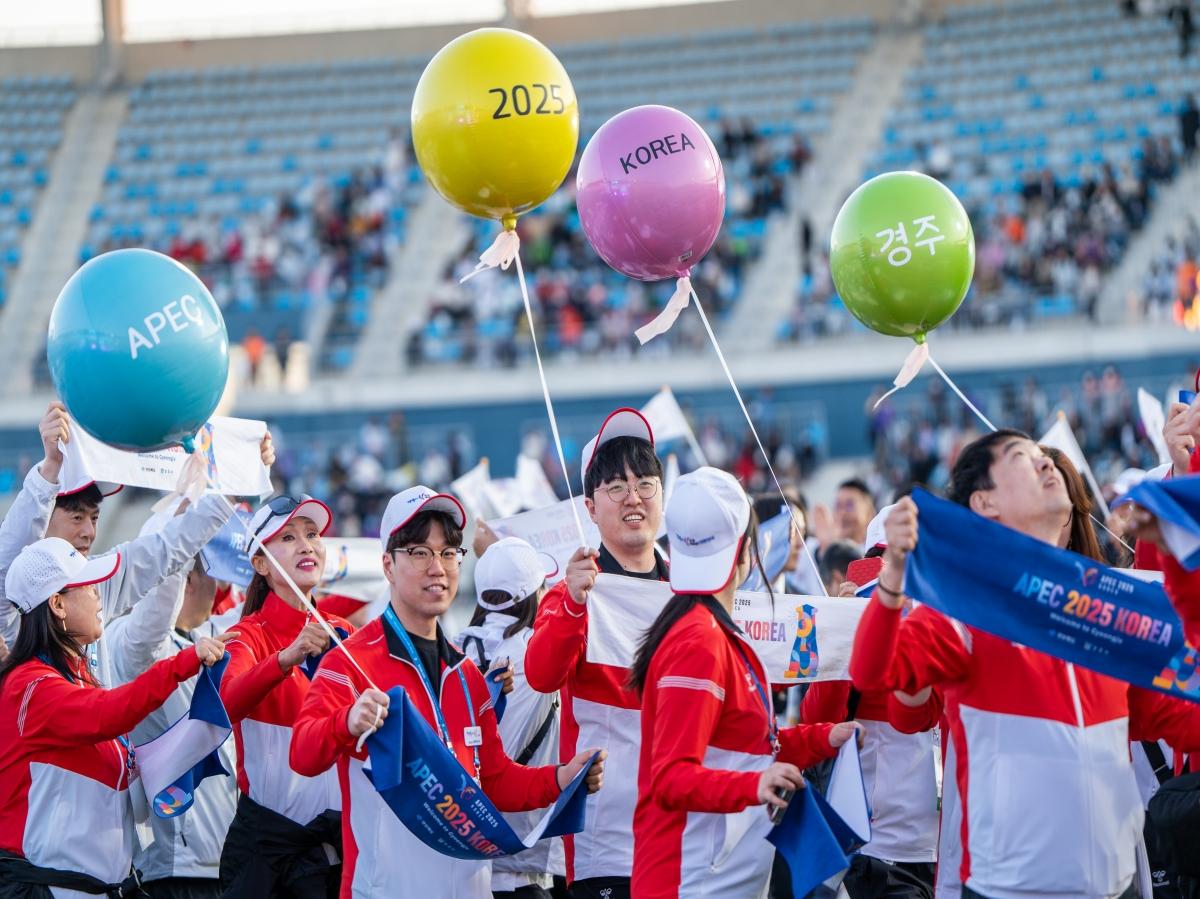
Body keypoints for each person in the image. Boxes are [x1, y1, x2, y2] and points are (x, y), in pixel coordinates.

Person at [851, 429, 1200, 899]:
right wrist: (893, 579)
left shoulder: (1102, 601)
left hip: (1115, 886)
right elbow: (875, 673)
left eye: (1044, 457)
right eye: (1022, 456)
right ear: (984, 503)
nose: (1045, 463)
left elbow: (1168, 714)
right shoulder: (965, 606)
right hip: (1010, 887)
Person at [290, 486, 605, 899]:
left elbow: (492, 780)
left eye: (448, 553)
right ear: (388, 564)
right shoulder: (350, 662)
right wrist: (345, 722)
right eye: (419, 552)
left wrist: (561, 779)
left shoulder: (467, 674)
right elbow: (302, 754)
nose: (437, 567)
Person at [627, 467, 859, 899]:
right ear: (747, 552)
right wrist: (755, 785)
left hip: (716, 880)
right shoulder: (698, 640)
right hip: (690, 883)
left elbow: (750, 748)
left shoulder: (711, 633)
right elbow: (671, 777)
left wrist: (827, 738)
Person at [0, 537, 232, 896]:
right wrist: (183, 665)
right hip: (44, 888)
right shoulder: (28, 687)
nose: (98, 596)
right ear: (58, 605)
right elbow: (110, 714)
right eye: (89, 587)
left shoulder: (78, 679)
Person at [0, 403, 273, 687]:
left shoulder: (98, 577)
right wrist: (50, 470)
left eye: (94, 517)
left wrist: (236, 484)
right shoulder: (18, 601)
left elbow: (166, 549)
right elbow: (7, 563)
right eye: (77, 517)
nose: (89, 531)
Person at [524, 408, 667, 899]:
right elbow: (541, 674)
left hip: (689, 835)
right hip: (607, 846)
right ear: (589, 506)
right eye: (616, 486)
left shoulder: (694, 590)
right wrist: (572, 603)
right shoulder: (573, 593)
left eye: (645, 482)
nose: (633, 498)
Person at [801, 505, 941, 899]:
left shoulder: (949, 624)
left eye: (910, 559)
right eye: (885, 560)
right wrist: (843, 632)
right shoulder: (854, 632)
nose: (898, 572)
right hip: (881, 850)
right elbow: (816, 720)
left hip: (955, 845)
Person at [218, 495, 353, 899]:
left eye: (312, 535)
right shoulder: (247, 635)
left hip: (336, 854)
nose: (307, 545)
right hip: (268, 860)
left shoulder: (345, 633)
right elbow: (227, 704)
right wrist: (285, 659)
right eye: (289, 537)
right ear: (260, 564)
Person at [106, 499, 237, 899]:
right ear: (190, 581)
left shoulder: (205, 639)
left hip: (223, 863)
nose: (224, 590)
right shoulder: (133, 643)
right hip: (175, 872)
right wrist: (180, 545)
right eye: (217, 576)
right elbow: (152, 623)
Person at [455, 536, 563, 899]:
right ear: (535, 593)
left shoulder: (451, 648)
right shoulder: (541, 651)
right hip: (522, 860)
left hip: (461, 857)